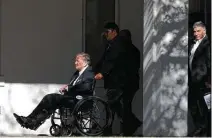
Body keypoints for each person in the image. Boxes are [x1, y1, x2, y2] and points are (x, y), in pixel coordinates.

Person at [13, 52, 95, 130]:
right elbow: (74, 86)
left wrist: (69, 88)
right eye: (75, 60)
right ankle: (31, 121)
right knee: (49, 102)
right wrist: (67, 87)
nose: (75, 63)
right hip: (72, 99)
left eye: (77, 60)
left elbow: (86, 87)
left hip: (81, 101)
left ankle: (31, 121)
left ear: (85, 62)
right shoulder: (77, 73)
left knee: (51, 98)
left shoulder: (89, 72)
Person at [94, 22, 129, 136]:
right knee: (114, 106)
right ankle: (117, 129)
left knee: (112, 105)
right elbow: (103, 59)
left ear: (114, 31)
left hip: (117, 81)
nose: (105, 34)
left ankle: (115, 129)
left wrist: (103, 73)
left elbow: (112, 61)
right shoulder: (110, 44)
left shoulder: (118, 44)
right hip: (112, 81)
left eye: (107, 32)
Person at [188, 21, 211, 136]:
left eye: (198, 31)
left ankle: (205, 131)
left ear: (204, 31)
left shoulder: (208, 44)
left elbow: (210, 63)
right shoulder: (192, 44)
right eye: (194, 31)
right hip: (193, 81)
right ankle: (200, 127)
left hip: (204, 81)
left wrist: (210, 80)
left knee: (206, 107)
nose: (195, 33)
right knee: (192, 105)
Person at [119, 29, 142, 136]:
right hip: (126, 83)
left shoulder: (131, 51)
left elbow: (133, 68)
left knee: (125, 106)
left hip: (129, 83)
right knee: (124, 106)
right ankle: (128, 128)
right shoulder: (127, 50)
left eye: (123, 37)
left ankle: (129, 128)